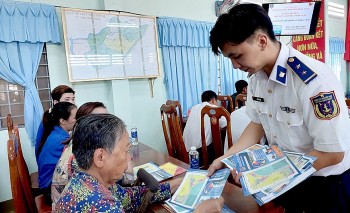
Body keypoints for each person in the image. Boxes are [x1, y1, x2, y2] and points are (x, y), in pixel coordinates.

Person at [208, 3, 350, 212]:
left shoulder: (312, 80)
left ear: (262, 41)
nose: (235, 66)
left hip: (326, 184)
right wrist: (226, 157)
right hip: (291, 178)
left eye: (237, 56)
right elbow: (257, 123)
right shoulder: (257, 78)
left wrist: (273, 173)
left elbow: (333, 153)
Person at [54, 114, 225, 212]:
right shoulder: (101, 205)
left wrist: (179, 183)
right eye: (126, 151)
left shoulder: (87, 181)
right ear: (100, 157)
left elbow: (131, 197)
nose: (129, 158)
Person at [51, 102, 108, 205]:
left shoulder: (79, 141)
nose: (107, 125)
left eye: (108, 119)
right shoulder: (81, 154)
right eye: (100, 121)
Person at [36, 102, 77, 203]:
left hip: (46, 183)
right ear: (62, 121)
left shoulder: (56, 132)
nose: (78, 120)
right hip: (50, 189)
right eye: (76, 117)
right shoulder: (62, 140)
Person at [183, 90, 227, 165]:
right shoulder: (215, 108)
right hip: (201, 152)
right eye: (216, 101)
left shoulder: (194, 107)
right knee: (221, 142)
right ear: (213, 100)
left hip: (186, 150)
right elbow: (225, 124)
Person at [35, 85, 75, 155]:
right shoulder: (49, 119)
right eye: (67, 99)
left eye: (73, 99)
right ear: (56, 102)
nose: (71, 102)